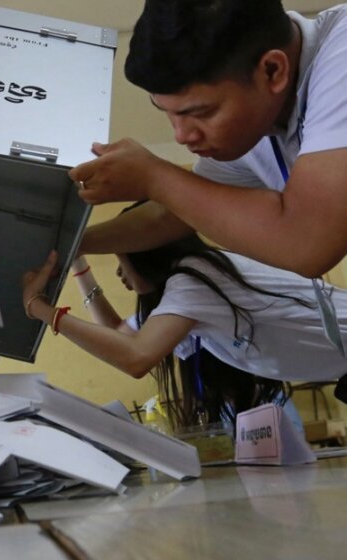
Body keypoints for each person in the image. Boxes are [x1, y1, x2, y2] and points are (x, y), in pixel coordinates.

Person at [70, 1, 347, 279]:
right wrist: (74, 245)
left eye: (202, 112)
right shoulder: (253, 125)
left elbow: (307, 244)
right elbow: (170, 215)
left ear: (273, 71)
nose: (182, 136)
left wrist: (154, 177)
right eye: (168, 112)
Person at [21, 212, 347, 426]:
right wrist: (79, 267)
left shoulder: (194, 280)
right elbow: (122, 335)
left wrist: (40, 309)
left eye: (123, 260)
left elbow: (134, 358)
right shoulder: (189, 296)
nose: (120, 272)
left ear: (146, 255)